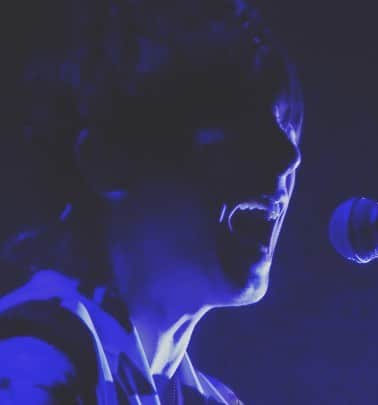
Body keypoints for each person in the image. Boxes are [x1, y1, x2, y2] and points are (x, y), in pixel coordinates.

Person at [0, 0, 302, 403]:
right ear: (110, 160)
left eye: (288, 129)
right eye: (243, 125)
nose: (289, 157)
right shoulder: (33, 358)